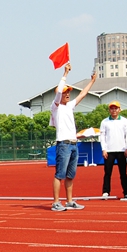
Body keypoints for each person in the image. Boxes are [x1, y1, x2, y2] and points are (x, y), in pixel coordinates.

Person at [50, 63, 97, 211]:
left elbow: (82, 94)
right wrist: (65, 74)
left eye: (68, 92)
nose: (68, 94)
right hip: (63, 144)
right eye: (65, 92)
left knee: (71, 174)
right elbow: (58, 94)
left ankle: (69, 201)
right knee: (60, 174)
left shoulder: (69, 106)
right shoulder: (55, 106)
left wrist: (92, 81)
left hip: (73, 144)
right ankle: (56, 202)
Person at [99, 101, 127, 199]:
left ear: (119, 109)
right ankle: (106, 192)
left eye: (115, 108)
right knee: (107, 172)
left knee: (123, 173)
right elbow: (102, 136)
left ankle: (126, 192)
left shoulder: (124, 121)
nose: (114, 110)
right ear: (109, 110)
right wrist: (104, 149)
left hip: (121, 150)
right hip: (109, 151)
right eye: (112, 108)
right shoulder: (104, 122)